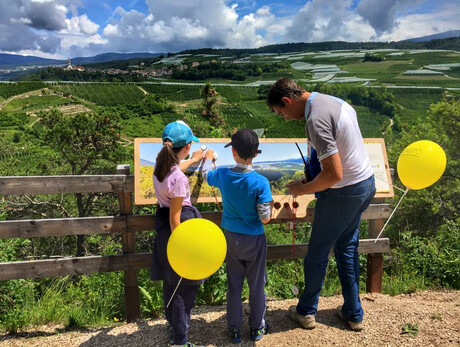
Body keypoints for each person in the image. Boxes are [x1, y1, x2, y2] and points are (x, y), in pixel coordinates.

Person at [266, 78, 376, 331]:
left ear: (287, 101)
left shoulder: (315, 119)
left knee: (317, 253)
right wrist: (313, 177)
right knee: (346, 247)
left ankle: (305, 311)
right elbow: (343, 152)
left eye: (281, 112)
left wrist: (302, 189)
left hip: (342, 192)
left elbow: (334, 175)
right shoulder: (333, 102)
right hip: (365, 184)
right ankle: (353, 313)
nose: (284, 118)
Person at [201, 129, 273, 343]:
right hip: (254, 239)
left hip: (231, 237)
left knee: (234, 285)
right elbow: (265, 218)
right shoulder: (260, 182)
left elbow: (207, 175)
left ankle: (234, 329)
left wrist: (207, 158)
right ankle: (257, 327)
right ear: (256, 154)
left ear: (233, 152)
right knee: (257, 285)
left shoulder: (222, 175)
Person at [150, 120, 206, 347]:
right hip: (178, 231)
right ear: (186, 147)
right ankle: (181, 341)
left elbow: (176, 169)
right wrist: (185, 248)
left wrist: (194, 160)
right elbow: (176, 219)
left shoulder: (160, 167)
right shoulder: (180, 180)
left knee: (171, 283)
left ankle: (173, 328)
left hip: (164, 231)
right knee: (185, 288)